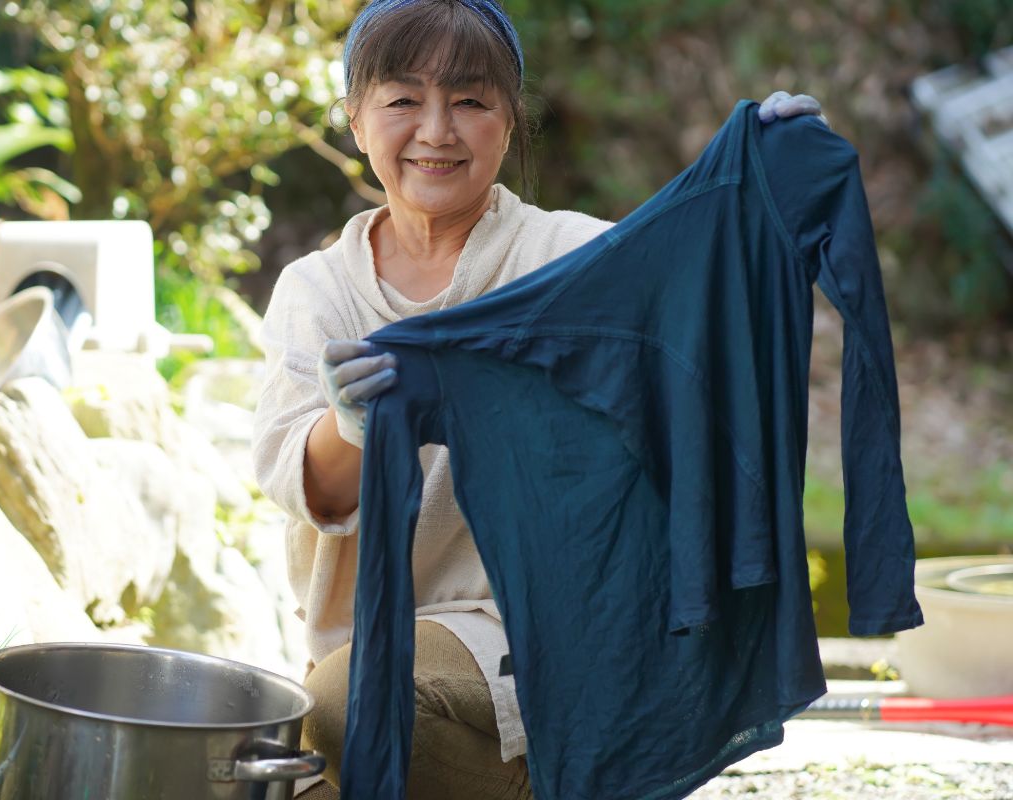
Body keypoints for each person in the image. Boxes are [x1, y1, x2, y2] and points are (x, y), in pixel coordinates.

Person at [251, 2, 825, 797]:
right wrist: (352, 425)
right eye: (403, 100)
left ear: (511, 121)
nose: (437, 130)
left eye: (471, 100)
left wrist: (762, 191)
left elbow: (706, 330)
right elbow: (303, 483)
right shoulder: (319, 293)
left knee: (350, 708)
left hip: (549, 635)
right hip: (379, 641)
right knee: (295, 775)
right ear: (355, 119)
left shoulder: (575, 261)